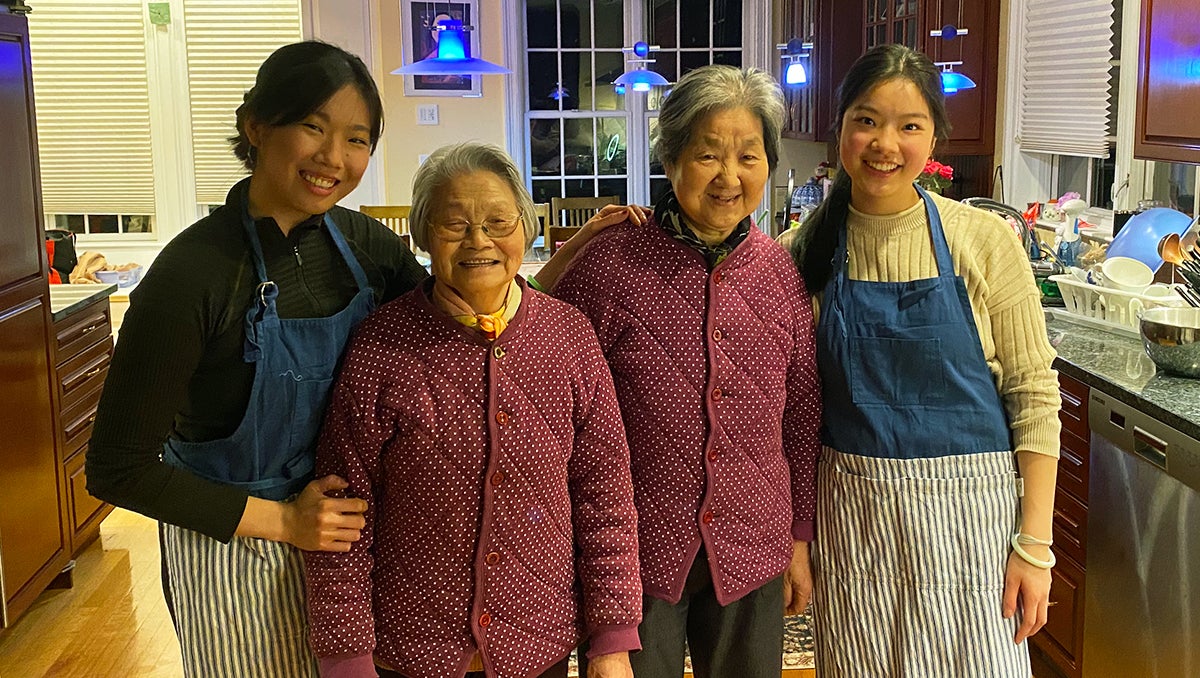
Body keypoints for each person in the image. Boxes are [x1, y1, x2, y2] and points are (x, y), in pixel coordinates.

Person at [84, 40, 627, 676]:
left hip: (358, 554)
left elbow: (476, 302)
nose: (333, 158)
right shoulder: (192, 274)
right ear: (255, 126)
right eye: (312, 126)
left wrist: (562, 261)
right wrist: (286, 521)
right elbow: (117, 469)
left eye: (357, 137)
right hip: (240, 550)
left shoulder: (363, 245)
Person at [302, 142, 642, 678]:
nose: (479, 240)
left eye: (498, 221)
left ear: (525, 230)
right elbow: (341, 517)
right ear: (422, 236)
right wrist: (347, 658)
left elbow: (605, 494)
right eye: (454, 224)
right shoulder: (381, 345)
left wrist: (612, 640)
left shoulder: (570, 336)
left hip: (539, 640)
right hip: (412, 649)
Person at [792, 43, 1060, 675]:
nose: (886, 142)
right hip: (855, 526)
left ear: (933, 137)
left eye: (909, 126)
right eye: (867, 120)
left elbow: (1033, 394)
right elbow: (790, 414)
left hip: (975, 532)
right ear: (841, 129)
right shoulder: (800, 252)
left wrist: (1036, 546)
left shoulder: (983, 240)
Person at [552, 65, 822, 678]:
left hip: (755, 542)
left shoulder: (779, 272)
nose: (730, 177)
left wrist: (798, 543)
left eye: (749, 156)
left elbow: (802, 419)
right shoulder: (612, 263)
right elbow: (538, 355)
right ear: (670, 160)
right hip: (636, 553)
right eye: (708, 155)